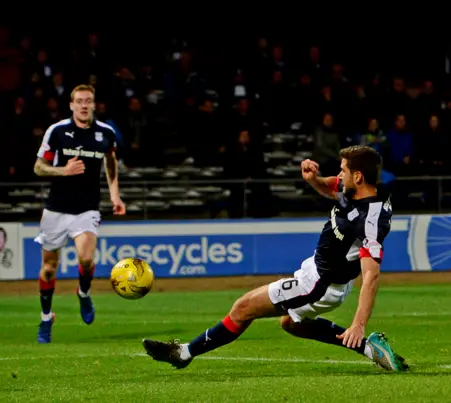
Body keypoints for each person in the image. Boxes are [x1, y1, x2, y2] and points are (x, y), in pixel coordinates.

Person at [142, 145, 408, 372]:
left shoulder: (370, 220)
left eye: (344, 170)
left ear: (358, 176)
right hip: (320, 273)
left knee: (243, 307)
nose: (339, 174)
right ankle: (371, 349)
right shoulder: (357, 191)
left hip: (319, 285)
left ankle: (184, 353)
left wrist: (358, 324)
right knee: (291, 324)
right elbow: (332, 187)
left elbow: (371, 274)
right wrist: (313, 180)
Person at [33, 84, 126, 344]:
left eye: (89, 101)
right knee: (49, 269)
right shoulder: (58, 132)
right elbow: (38, 167)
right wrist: (63, 170)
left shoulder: (105, 133)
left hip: (86, 209)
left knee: (86, 259)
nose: (84, 105)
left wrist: (115, 195)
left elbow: (110, 161)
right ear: (71, 105)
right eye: (80, 101)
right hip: (55, 210)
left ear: (94, 105)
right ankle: (46, 317)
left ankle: (83, 293)